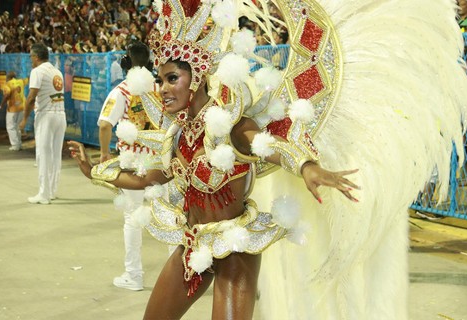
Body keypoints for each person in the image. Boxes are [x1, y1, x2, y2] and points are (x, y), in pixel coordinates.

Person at [68, 1, 359, 317]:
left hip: (236, 248)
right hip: (193, 243)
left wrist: (307, 166)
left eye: (171, 79)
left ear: (195, 80)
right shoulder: (175, 134)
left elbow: (268, 145)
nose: (162, 88)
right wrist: (94, 171)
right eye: (160, 79)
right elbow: (148, 178)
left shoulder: (229, 123)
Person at [97, 41, 153, 291]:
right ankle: (183, 276)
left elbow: (105, 125)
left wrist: (103, 154)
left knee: (132, 217)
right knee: (172, 216)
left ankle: (134, 275)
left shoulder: (121, 91)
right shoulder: (159, 87)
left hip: (132, 162)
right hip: (160, 160)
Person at [20, 43, 67, 205]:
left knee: (43, 154)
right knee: (55, 154)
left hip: (46, 116)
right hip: (60, 115)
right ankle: (52, 190)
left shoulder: (37, 71)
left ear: (36, 57)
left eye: (31, 57)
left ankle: (43, 194)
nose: (31, 60)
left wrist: (25, 119)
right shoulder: (57, 72)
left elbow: (31, 97)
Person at [0, 71, 28, 151]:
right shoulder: (21, 81)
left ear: (8, 77)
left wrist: (2, 104)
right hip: (22, 107)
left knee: (10, 127)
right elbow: (28, 79)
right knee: (17, 126)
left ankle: (15, 145)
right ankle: (19, 144)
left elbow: (7, 94)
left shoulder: (7, 84)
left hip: (12, 108)